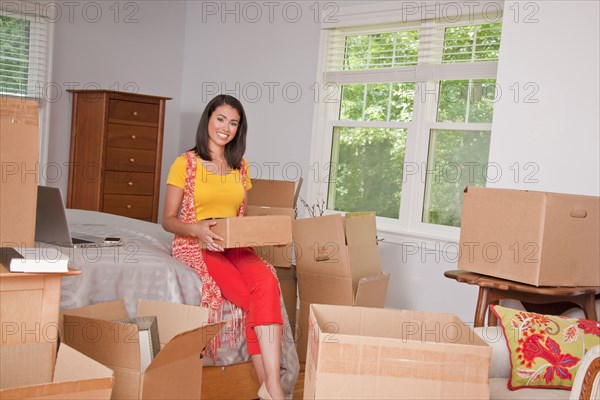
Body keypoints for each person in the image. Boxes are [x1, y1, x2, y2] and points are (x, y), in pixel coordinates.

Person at [162, 94, 284, 400]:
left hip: (234, 245)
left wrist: (266, 234)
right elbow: (167, 220)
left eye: (233, 123)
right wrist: (196, 230)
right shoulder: (185, 163)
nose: (225, 128)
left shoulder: (241, 167)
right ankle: (274, 388)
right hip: (199, 244)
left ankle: (271, 387)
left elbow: (242, 217)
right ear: (208, 120)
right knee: (250, 298)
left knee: (267, 282)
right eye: (220, 119)